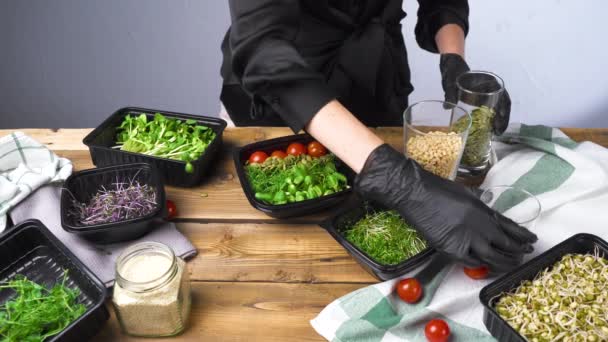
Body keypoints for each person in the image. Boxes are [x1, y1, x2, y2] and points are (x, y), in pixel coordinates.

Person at [220, 0, 537, 272]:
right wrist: (397, 180)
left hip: (374, 84)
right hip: (280, 105)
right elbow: (263, 49)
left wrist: (453, 59)